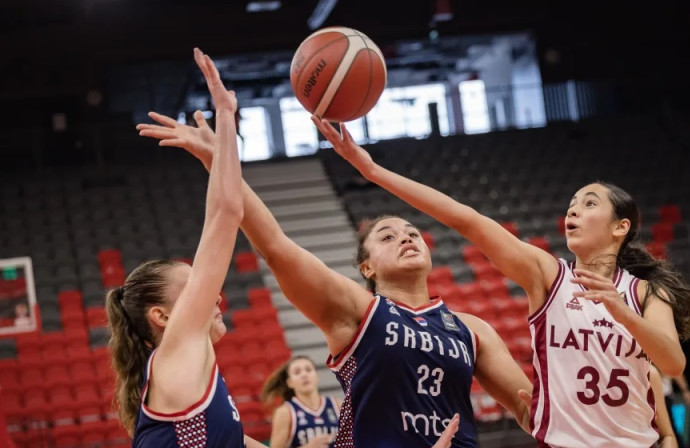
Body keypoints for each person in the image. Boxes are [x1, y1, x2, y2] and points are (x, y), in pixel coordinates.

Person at [311, 117, 690, 448]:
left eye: (590, 203)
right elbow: (465, 219)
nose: (575, 209)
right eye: (572, 205)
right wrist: (373, 171)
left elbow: (673, 362)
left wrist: (621, 311)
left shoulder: (644, 291)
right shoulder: (547, 275)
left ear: (621, 226)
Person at [135, 118, 521, 447]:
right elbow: (275, 246)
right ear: (367, 268)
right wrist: (218, 161)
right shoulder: (358, 311)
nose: (406, 237)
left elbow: (529, 406)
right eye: (387, 236)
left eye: (412, 232)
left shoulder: (472, 330)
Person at [107, 48, 259, 447]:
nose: (215, 294)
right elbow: (226, 212)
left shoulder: (191, 374)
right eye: (194, 288)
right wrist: (225, 117)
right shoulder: (176, 354)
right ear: (162, 315)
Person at [262, 355, 340, 448]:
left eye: (308, 370)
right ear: (290, 382)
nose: (304, 375)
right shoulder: (285, 412)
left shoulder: (337, 405)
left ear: (317, 375)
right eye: (297, 372)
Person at [650, 364, 679, 448]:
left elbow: (678, 369)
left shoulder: (651, 371)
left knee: (669, 430)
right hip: (663, 395)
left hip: (664, 396)